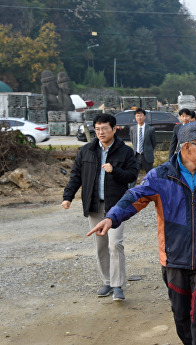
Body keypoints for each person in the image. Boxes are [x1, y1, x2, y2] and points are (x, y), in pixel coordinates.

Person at [87, 122, 196, 345]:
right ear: (186, 147)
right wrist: (111, 217)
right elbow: (134, 197)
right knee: (181, 315)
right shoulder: (160, 176)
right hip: (174, 259)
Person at [62, 113, 138, 301]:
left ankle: (118, 284)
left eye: (104, 128)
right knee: (101, 246)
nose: (100, 132)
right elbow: (76, 175)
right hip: (95, 205)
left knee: (115, 244)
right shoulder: (86, 151)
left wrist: (115, 170)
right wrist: (68, 197)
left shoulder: (125, 151)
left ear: (114, 129)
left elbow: (132, 175)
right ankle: (107, 282)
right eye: (97, 129)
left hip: (116, 206)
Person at [130, 108, 156, 181]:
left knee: (150, 176)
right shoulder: (132, 129)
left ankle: (152, 190)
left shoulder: (150, 129)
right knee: (133, 175)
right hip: (136, 156)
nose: (139, 118)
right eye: (137, 116)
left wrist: (148, 150)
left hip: (147, 156)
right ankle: (131, 191)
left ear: (145, 117)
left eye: (141, 115)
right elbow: (133, 141)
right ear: (135, 117)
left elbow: (153, 143)